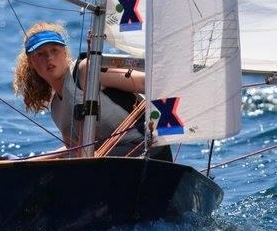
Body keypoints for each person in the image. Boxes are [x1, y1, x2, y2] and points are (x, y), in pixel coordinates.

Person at [13, 22, 171, 160]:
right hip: (107, 163)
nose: (49, 58)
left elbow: (146, 83)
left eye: (54, 50)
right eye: (40, 54)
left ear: (65, 53)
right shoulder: (56, 108)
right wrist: (27, 161)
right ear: (31, 62)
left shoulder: (86, 71)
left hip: (150, 152)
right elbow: (73, 150)